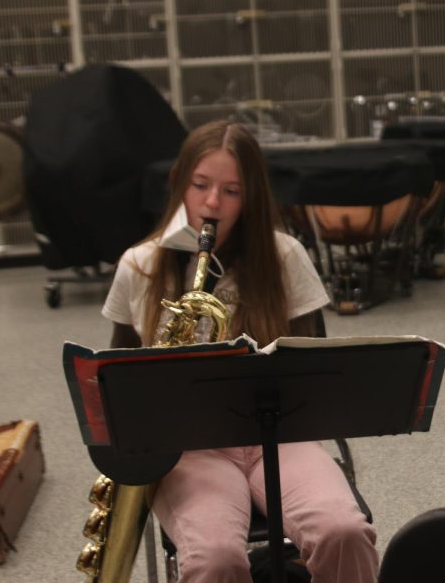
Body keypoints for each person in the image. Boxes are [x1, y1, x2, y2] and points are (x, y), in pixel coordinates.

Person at [101, 120, 378, 583]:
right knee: (215, 559)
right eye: (201, 186)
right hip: (186, 448)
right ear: (179, 184)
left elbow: (312, 368)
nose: (212, 203)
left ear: (251, 197)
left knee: (342, 530)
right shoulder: (140, 265)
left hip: (279, 433)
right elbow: (113, 379)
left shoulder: (283, 254)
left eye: (231, 191)